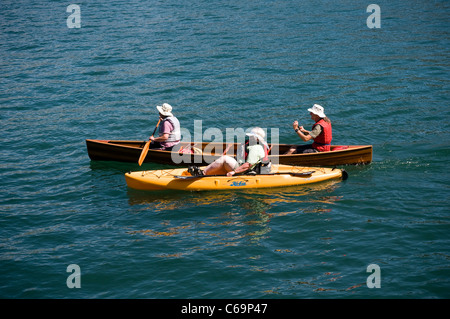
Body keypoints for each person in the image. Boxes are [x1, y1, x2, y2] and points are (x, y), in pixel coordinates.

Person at [189, 127, 270, 177]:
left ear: (257, 139)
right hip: (240, 166)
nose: (250, 137)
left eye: (252, 136)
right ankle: (205, 173)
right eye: (250, 136)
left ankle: (202, 174)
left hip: (244, 171)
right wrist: (227, 148)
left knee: (224, 159)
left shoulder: (256, 148)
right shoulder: (249, 144)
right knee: (223, 159)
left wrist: (234, 172)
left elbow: (248, 165)